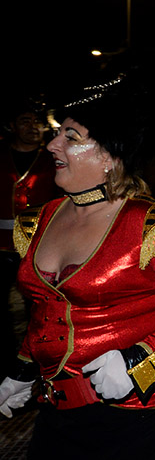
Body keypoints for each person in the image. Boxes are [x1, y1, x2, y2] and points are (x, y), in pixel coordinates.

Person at [0, 50, 155, 460]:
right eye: (57, 131)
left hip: (139, 412)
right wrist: (23, 369)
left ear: (108, 155)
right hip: (60, 410)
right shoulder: (38, 220)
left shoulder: (148, 224)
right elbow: (48, 310)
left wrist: (140, 363)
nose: (52, 144)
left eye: (71, 136)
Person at [0, 100, 59, 379]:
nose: (34, 128)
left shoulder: (54, 158)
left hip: (40, 247)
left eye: (38, 122)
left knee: (39, 309)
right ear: (11, 126)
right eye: (26, 121)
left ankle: (37, 367)